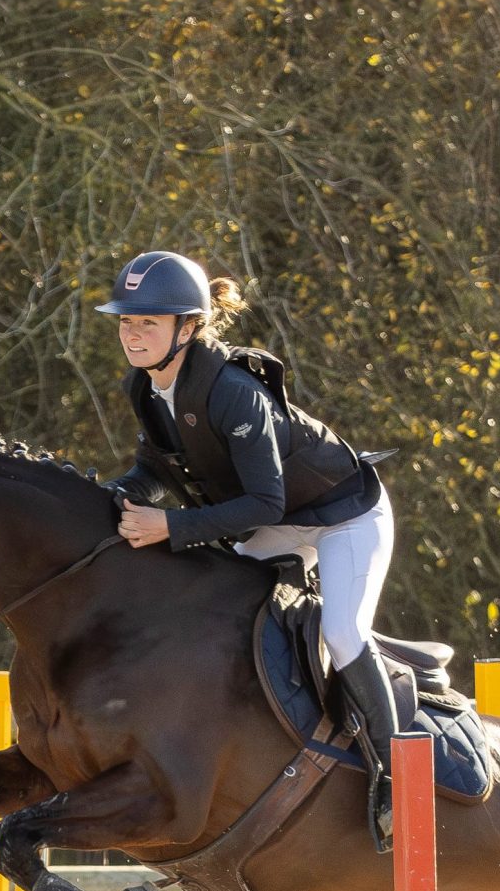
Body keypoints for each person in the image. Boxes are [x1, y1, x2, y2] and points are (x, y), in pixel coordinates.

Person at [99, 249, 406, 849]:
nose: (132, 334)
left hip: (344, 515)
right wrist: (101, 502)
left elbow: (262, 505)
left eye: (148, 323)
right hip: (285, 518)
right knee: (210, 612)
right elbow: (150, 470)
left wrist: (170, 527)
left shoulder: (234, 392)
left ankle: (396, 775)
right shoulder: (146, 386)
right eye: (126, 321)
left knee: (344, 633)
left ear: (188, 328)